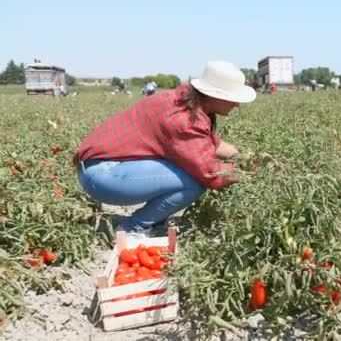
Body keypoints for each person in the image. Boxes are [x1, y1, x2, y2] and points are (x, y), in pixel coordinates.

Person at [73, 61, 256, 238]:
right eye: (234, 98)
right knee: (195, 180)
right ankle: (131, 229)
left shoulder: (186, 102)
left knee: (187, 168)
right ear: (216, 96)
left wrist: (249, 159)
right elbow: (210, 172)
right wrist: (250, 174)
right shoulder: (183, 119)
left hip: (106, 167)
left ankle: (153, 220)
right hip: (103, 176)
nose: (237, 105)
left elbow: (215, 146)